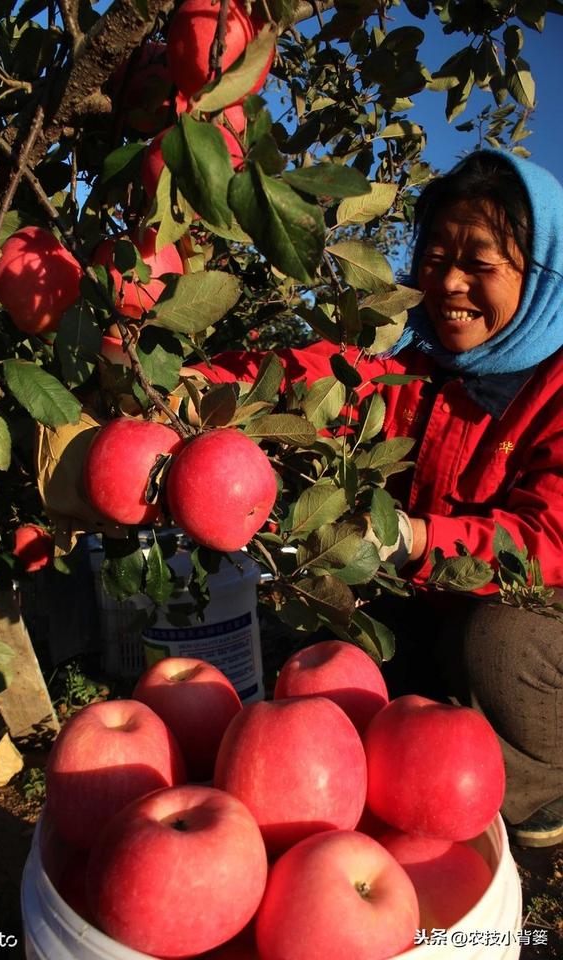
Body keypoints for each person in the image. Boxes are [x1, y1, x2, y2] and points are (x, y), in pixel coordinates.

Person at [192, 149, 563, 847]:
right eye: (434, 257)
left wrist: (419, 539)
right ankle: (435, 736)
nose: (449, 282)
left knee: (504, 642)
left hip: (537, 620)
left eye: (480, 264)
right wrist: (190, 387)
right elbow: (310, 378)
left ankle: (538, 779)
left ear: (540, 274)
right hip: (434, 603)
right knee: (343, 610)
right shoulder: (413, 361)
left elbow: (549, 541)